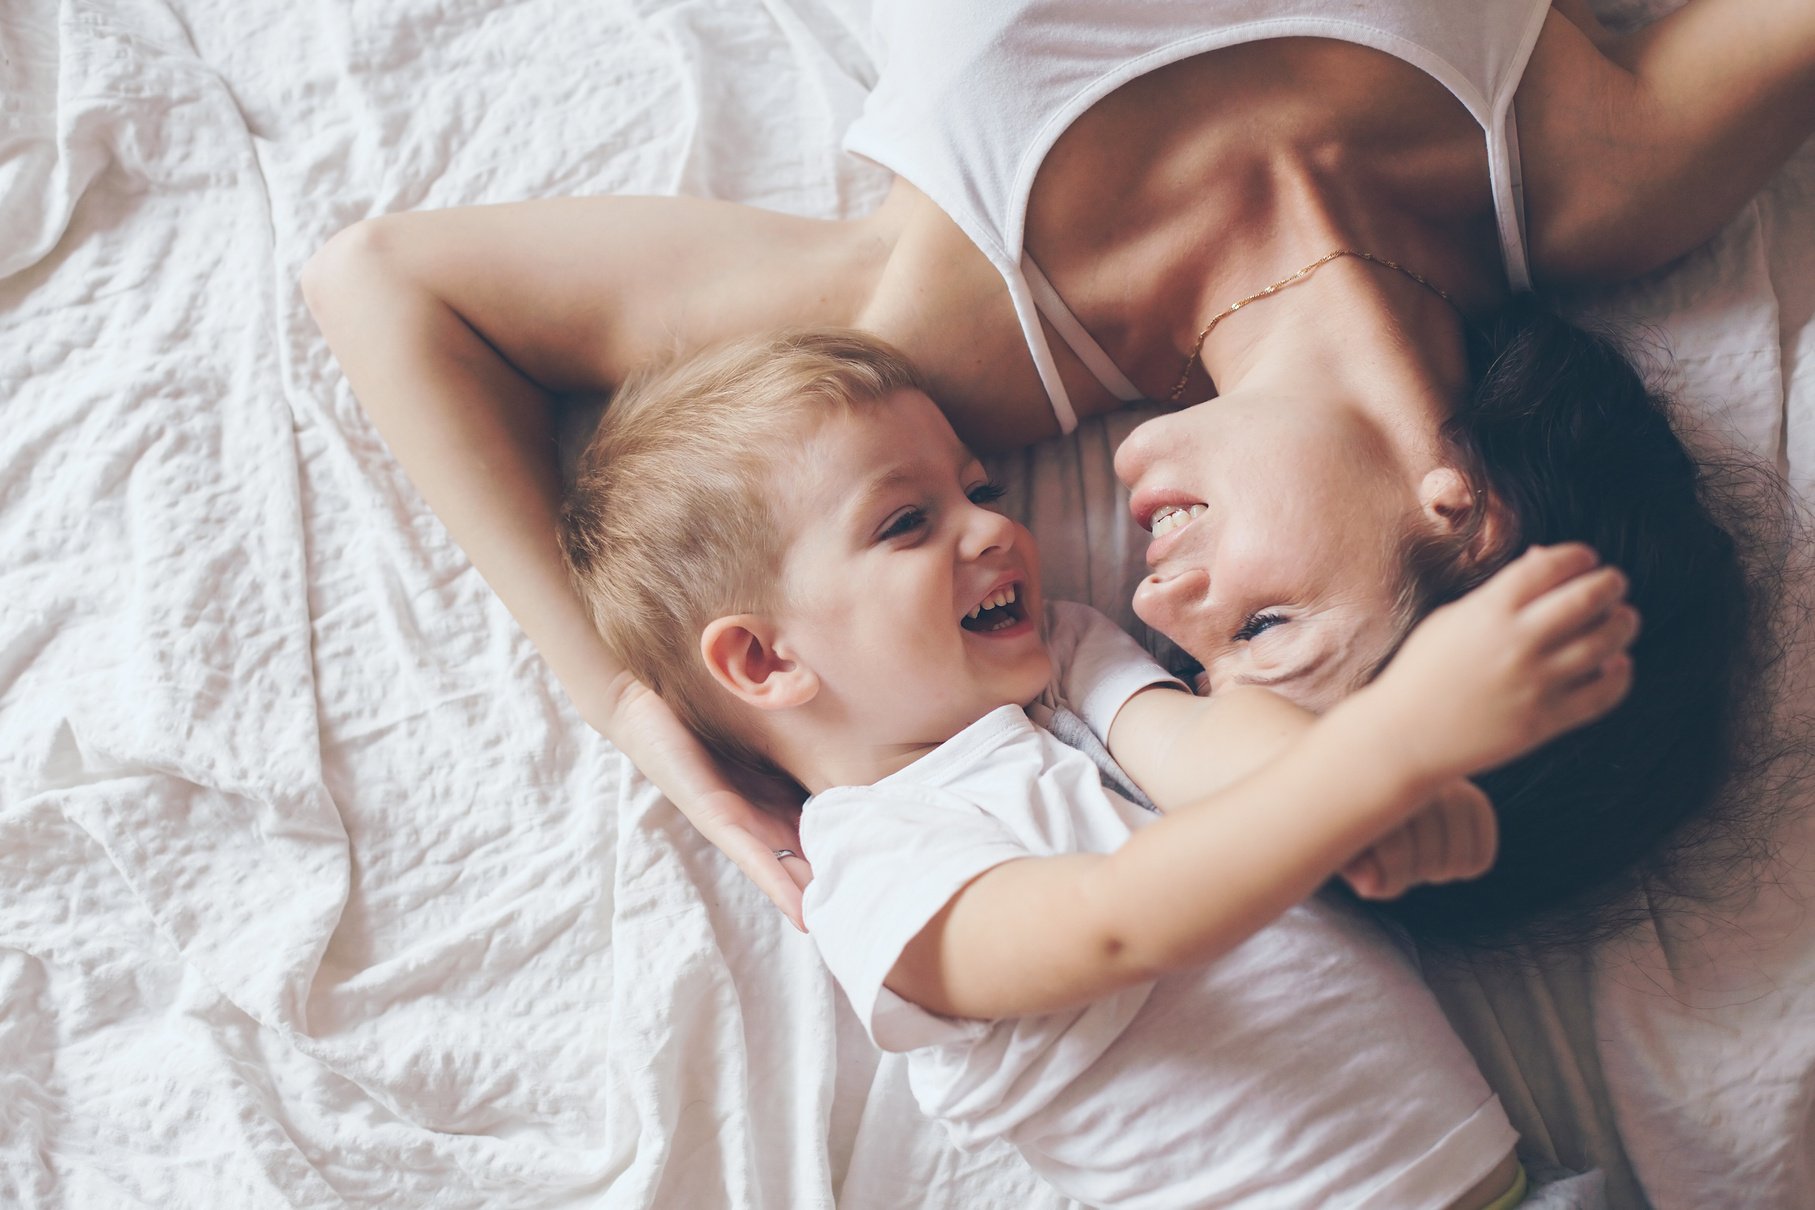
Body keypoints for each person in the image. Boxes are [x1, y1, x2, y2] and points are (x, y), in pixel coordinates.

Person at [300, 1, 1815, 943]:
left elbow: (389, 286)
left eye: (1186, 653)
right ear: (1467, 514)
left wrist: (631, 707)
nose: (1161, 594)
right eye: (1264, 632)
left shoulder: (940, 357)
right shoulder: (1607, 177)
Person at [557, 328, 1638, 1208]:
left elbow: (1207, 749)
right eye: (905, 522)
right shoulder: (874, 877)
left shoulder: (1060, 663)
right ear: (765, 658)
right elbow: (1126, 920)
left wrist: (1371, 791)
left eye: (977, 488)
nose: (991, 525)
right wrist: (1380, 748)